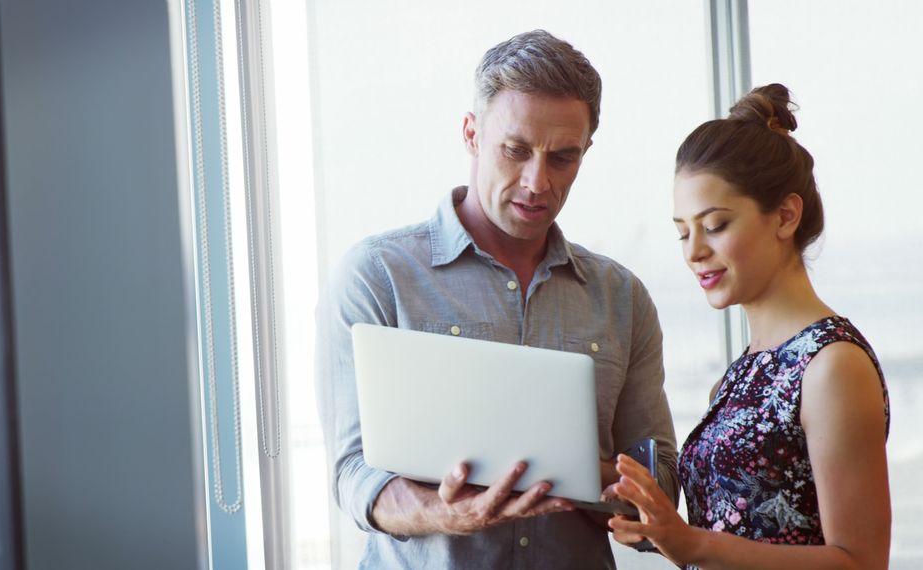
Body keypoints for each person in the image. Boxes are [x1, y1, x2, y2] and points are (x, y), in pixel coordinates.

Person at [315, 29, 679, 568]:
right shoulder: (377, 276)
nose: (537, 181)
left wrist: (577, 473)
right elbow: (354, 475)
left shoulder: (622, 299)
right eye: (515, 150)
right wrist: (445, 514)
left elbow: (661, 491)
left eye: (563, 158)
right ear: (471, 133)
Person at [607, 84, 891, 569]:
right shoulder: (741, 374)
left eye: (714, 225)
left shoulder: (831, 366)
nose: (693, 251)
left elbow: (860, 562)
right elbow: (732, 537)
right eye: (682, 231)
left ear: (785, 215)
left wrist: (692, 543)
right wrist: (662, 530)